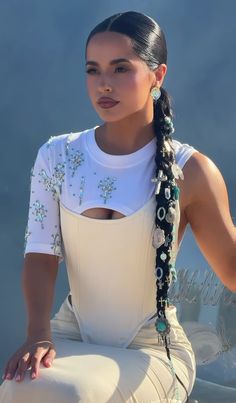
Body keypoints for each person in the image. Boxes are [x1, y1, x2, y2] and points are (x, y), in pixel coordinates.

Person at [0, 10, 235, 403]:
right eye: (93, 70)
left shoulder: (189, 169)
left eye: (120, 68)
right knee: (19, 386)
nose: (103, 84)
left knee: (67, 393)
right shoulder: (57, 156)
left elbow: (232, 270)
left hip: (151, 349)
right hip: (67, 334)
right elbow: (40, 254)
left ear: (157, 77)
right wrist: (39, 334)